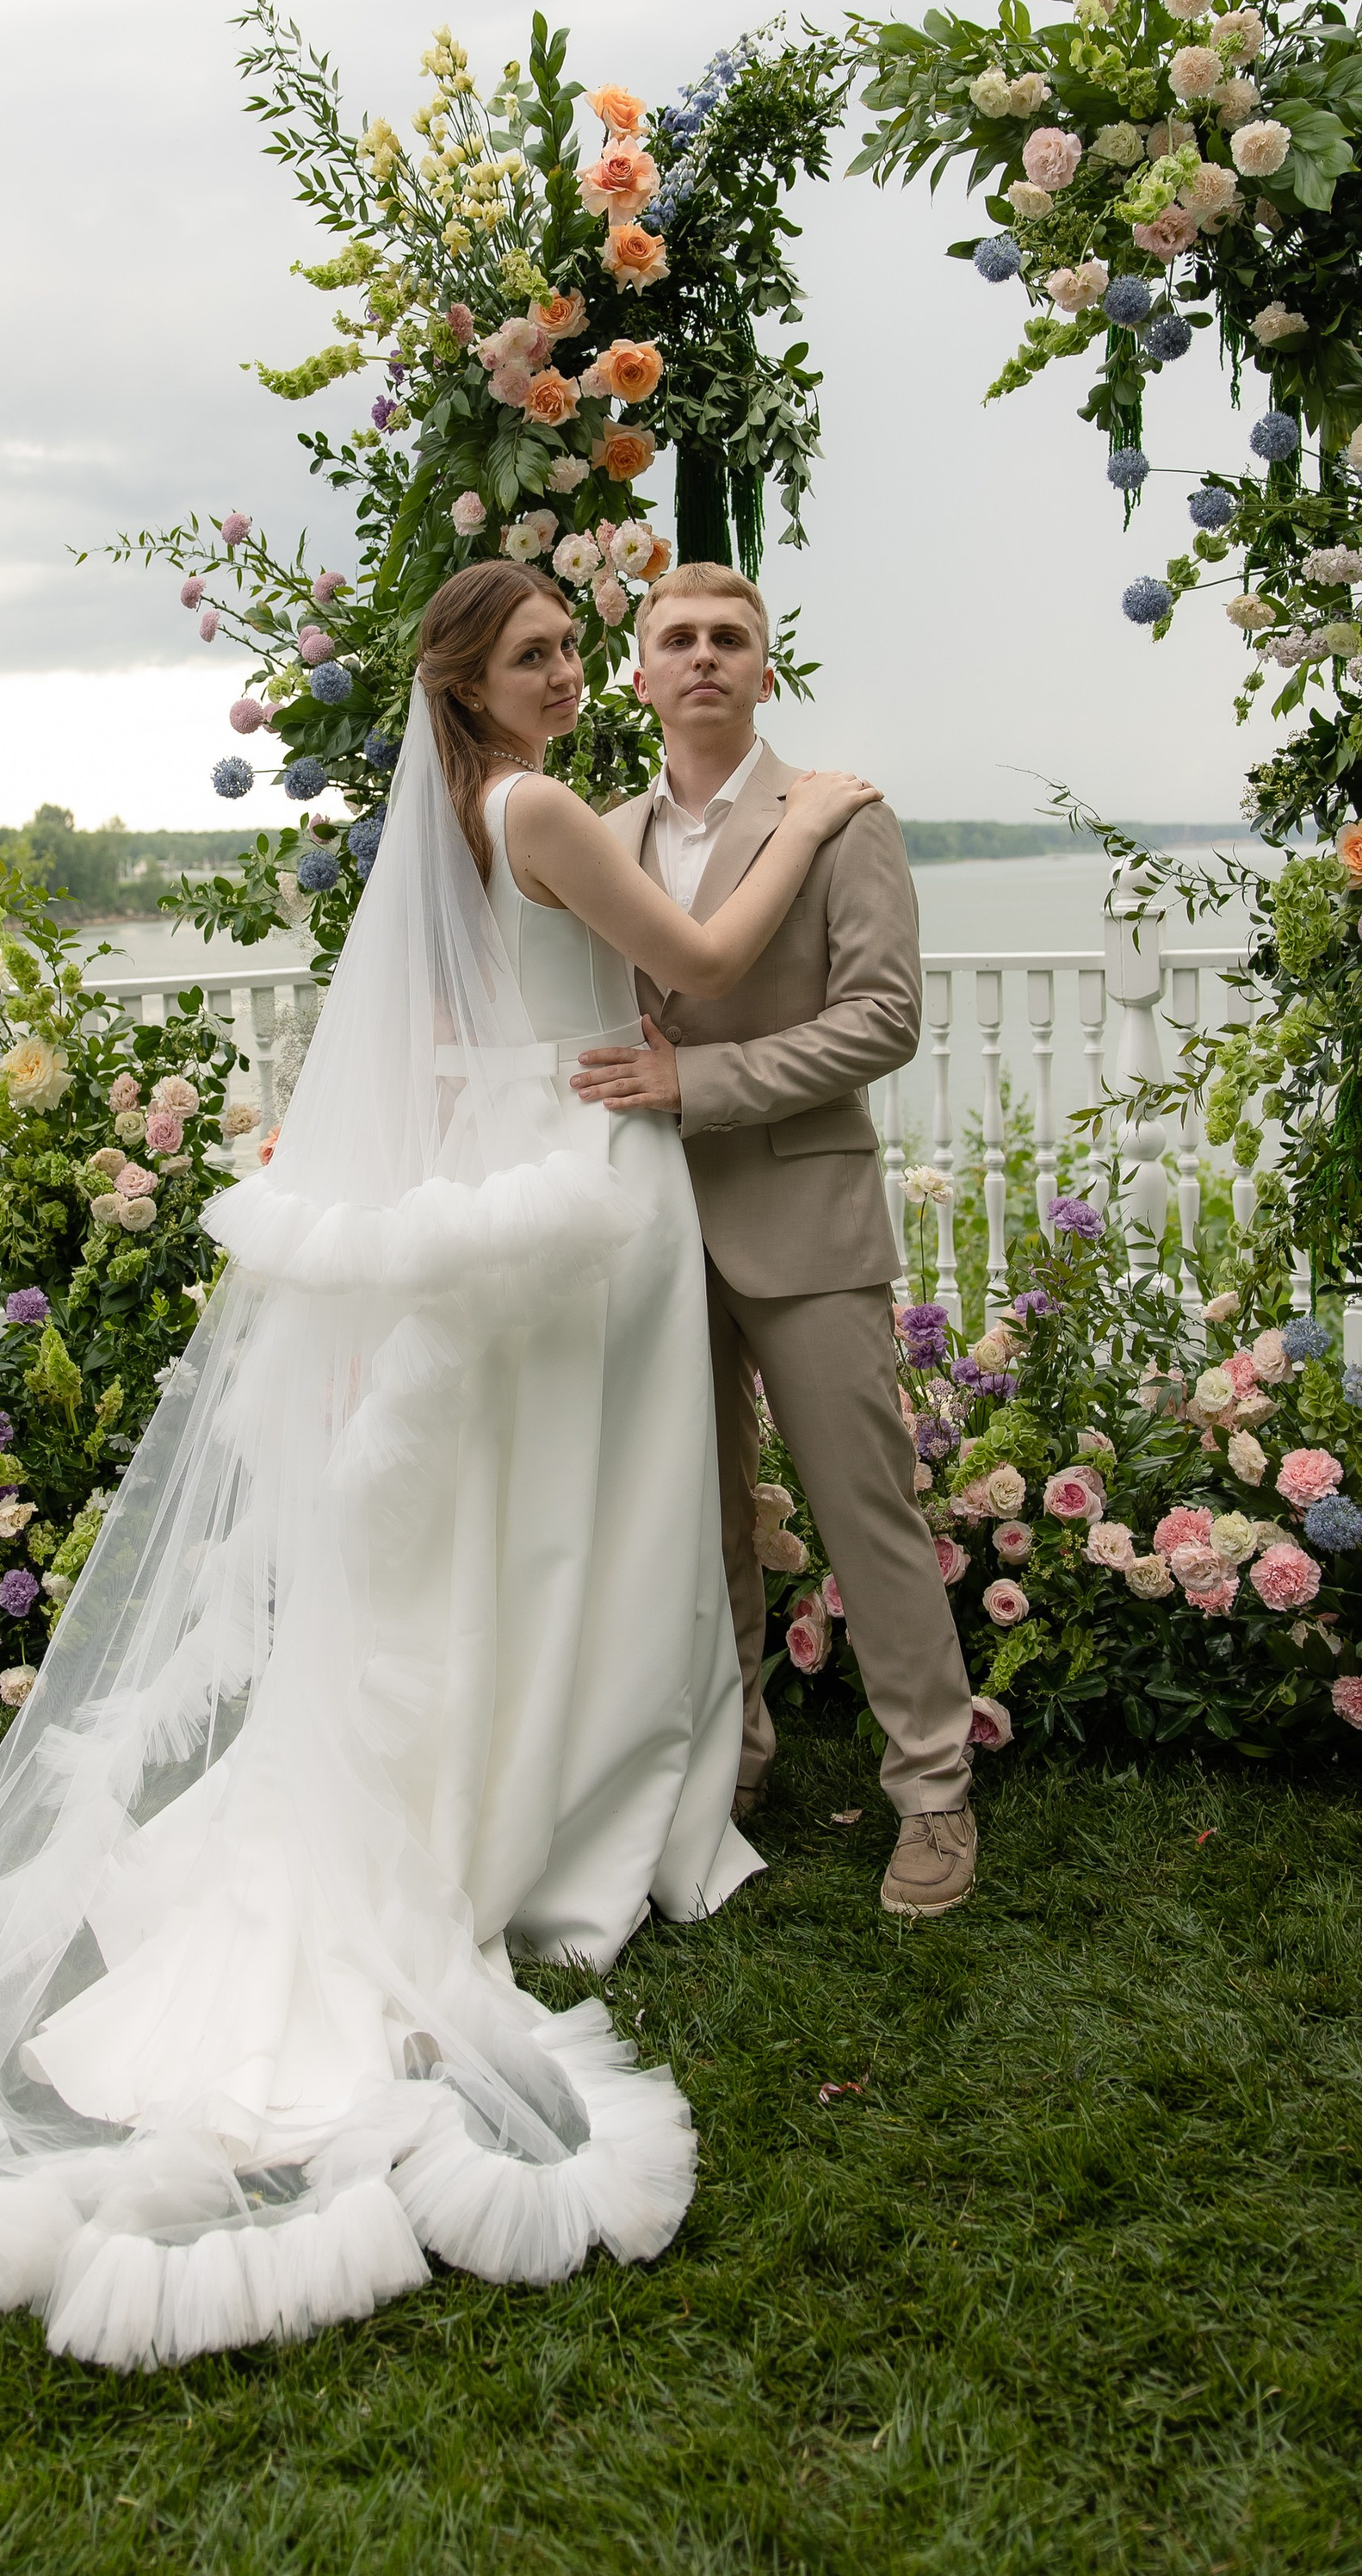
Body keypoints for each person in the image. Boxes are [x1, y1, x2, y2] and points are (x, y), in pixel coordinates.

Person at [0, 558, 877, 2370]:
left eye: (558, 653)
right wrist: (818, 810)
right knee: (588, 1517)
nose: (560, 677)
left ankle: (555, 1781)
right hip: (576, 1178)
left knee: (532, 1519)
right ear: (467, 683)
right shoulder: (533, 801)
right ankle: (585, 1797)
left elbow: (455, 1033)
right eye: (533, 657)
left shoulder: (457, 813)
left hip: (512, 1172)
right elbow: (696, 960)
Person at [571, 562, 979, 1922]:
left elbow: (884, 1018)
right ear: (639, 675)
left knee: (868, 1513)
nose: (701, 657)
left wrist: (707, 1086)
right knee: (693, 1521)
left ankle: (932, 1790)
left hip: (801, 1215)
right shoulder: (601, 833)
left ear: (763, 670)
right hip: (646, 1227)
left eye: (728, 640)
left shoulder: (839, 818)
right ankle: (730, 1763)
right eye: (677, 638)